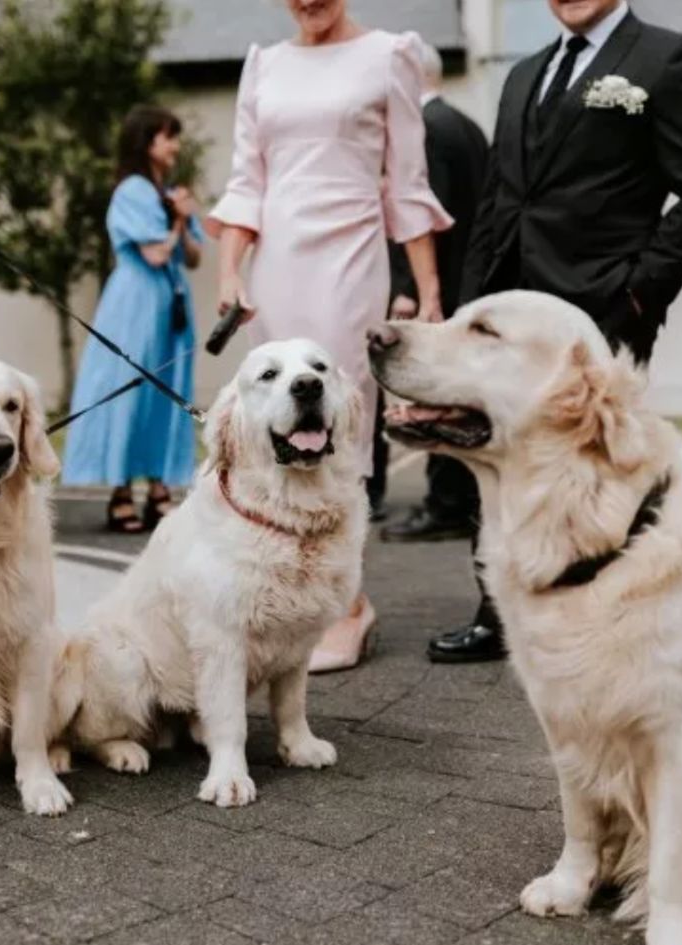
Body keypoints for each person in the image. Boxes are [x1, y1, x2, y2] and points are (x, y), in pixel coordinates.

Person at [429, 0, 682, 664]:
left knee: (593, 458)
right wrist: (471, 306)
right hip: (509, 309)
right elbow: (503, 199)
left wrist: (641, 289)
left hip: (603, 310)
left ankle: (602, 608)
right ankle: (498, 607)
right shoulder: (526, 73)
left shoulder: (667, 58)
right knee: (499, 449)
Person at [206, 0, 452, 674]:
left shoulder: (390, 54)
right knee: (273, 423)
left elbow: (407, 185)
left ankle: (348, 602)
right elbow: (245, 181)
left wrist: (428, 293)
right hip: (277, 258)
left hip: (350, 255)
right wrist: (230, 270)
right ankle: (290, 592)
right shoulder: (264, 63)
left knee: (344, 416)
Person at [61, 105, 204, 532]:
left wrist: (184, 216)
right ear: (147, 142)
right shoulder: (133, 191)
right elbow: (155, 253)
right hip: (136, 300)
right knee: (132, 387)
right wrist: (178, 219)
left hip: (172, 299)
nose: (175, 145)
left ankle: (160, 487)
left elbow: (192, 257)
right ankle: (121, 490)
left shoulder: (170, 190)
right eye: (168, 137)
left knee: (168, 389)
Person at [381, 41, 490, 545]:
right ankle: (461, 501)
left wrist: (410, 289)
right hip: (472, 281)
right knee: (459, 394)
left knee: (434, 393)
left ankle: (445, 506)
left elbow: (423, 217)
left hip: (441, 290)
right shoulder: (465, 126)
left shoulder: (425, 131)